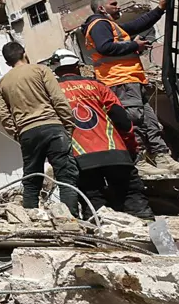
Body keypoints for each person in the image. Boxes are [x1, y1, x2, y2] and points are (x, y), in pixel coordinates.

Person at [82, 0, 179, 177]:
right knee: (134, 122)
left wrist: (160, 9)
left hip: (131, 80)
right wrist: (135, 46)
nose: (118, 6)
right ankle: (140, 160)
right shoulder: (99, 24)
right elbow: (105, 47)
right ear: (102, 8)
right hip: (119, 81)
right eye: (113, 4)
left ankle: (162, 157)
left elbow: (136, 25)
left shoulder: (110, 25)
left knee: (150, 121)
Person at [51, 49, 154, 218]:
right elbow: (122, 120)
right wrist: (131, 147)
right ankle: (148, 233)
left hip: (81, 158)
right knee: (134, 199)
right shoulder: (98, 86)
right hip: (116, 152)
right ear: (77, 66)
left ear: (55, 71)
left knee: (95, 207)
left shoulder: (53, 94)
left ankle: (105, 239)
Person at [0, 41, 81, 212]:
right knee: (66, 176)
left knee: (31, 180)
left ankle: (31, 218)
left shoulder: (1, 84)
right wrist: (69, 126)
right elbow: (58, 100)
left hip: (27, 133)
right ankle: (71, 219)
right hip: (53, 127)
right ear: (24, 53)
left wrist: (18, 134)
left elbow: (4, 116)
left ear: (7, 63)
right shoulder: (41, 70)